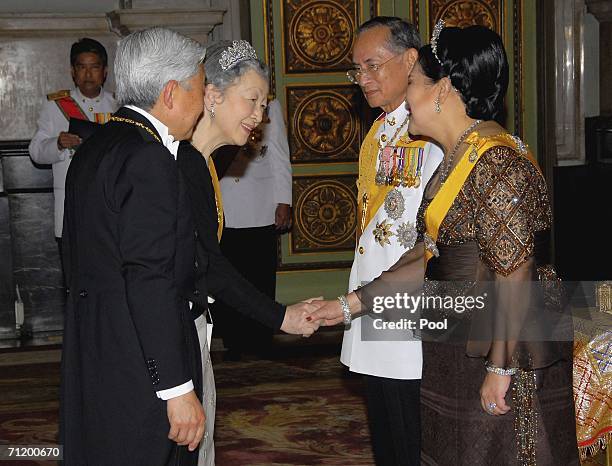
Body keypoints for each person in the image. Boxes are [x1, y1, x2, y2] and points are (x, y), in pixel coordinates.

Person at [311, 22, 579, 465]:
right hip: (456, 339)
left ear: (444, 89)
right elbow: (430, 256)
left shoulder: (497, 162)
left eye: (414, 83)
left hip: (500, 345)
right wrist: (353, 304)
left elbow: (514, 275)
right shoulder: (456, 158)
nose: (406, 95)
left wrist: (499, 368)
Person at [61, 28, 207, 466]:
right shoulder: (149, 158)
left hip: (97, 350)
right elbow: (150, 279)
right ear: (171, 92)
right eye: (200, 89)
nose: (203, 104)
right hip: (141, 365)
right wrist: (177, 389)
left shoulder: (97, 146)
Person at [176, 40, 320, 465]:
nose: (260, 115)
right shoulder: (181, 164)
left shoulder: (202, 163)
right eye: (252, 100)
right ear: (214, 96)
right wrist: (284, 317)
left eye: (264, 103)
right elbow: (211, 268)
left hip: (190, 328)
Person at [308, 17, 443, 466]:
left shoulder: (434, 128)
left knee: (411, 438)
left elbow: (435, 235)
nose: (362, 79)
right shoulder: (383, 127)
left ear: (410, 60)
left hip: (409, 311)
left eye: (372, 66)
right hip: (372, 299)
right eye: (356, 70)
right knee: (385, 433)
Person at [212, 98, 293, 360]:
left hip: (259, 206)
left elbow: (279, 156)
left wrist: (284, 201)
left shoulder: (270, 106)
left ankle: (260, 338)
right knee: (229, 276)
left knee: (259, 277)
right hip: (225, 203)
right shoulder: (216, 101)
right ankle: (233, 339)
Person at [29, 38, 117, 264]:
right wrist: (57, 144)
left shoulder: (117, 106)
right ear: (73, 71)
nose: (88, 74)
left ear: (104, 71)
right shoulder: (55, 105)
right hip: (72, 205)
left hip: (107, 207)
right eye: (82, 67)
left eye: (94, 67)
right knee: (73, 279)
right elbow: (36, 151)